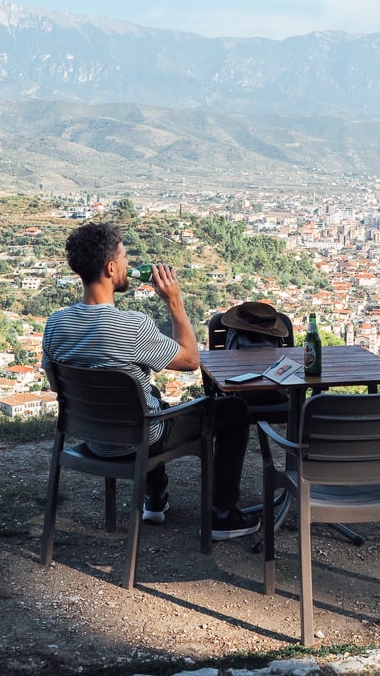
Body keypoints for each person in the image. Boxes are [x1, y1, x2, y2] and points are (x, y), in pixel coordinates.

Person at [41, 221, 260, 541]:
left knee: (148, 394)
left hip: (92, 437)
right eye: (125, 257)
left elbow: (55, 385)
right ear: (111, 267)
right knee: (234, 410)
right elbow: (190, 360)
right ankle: (223, 515)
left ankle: (155, 499)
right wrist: (174, 300)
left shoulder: (55, 324)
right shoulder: (133, 326)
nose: (129, 265)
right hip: (139, 439)